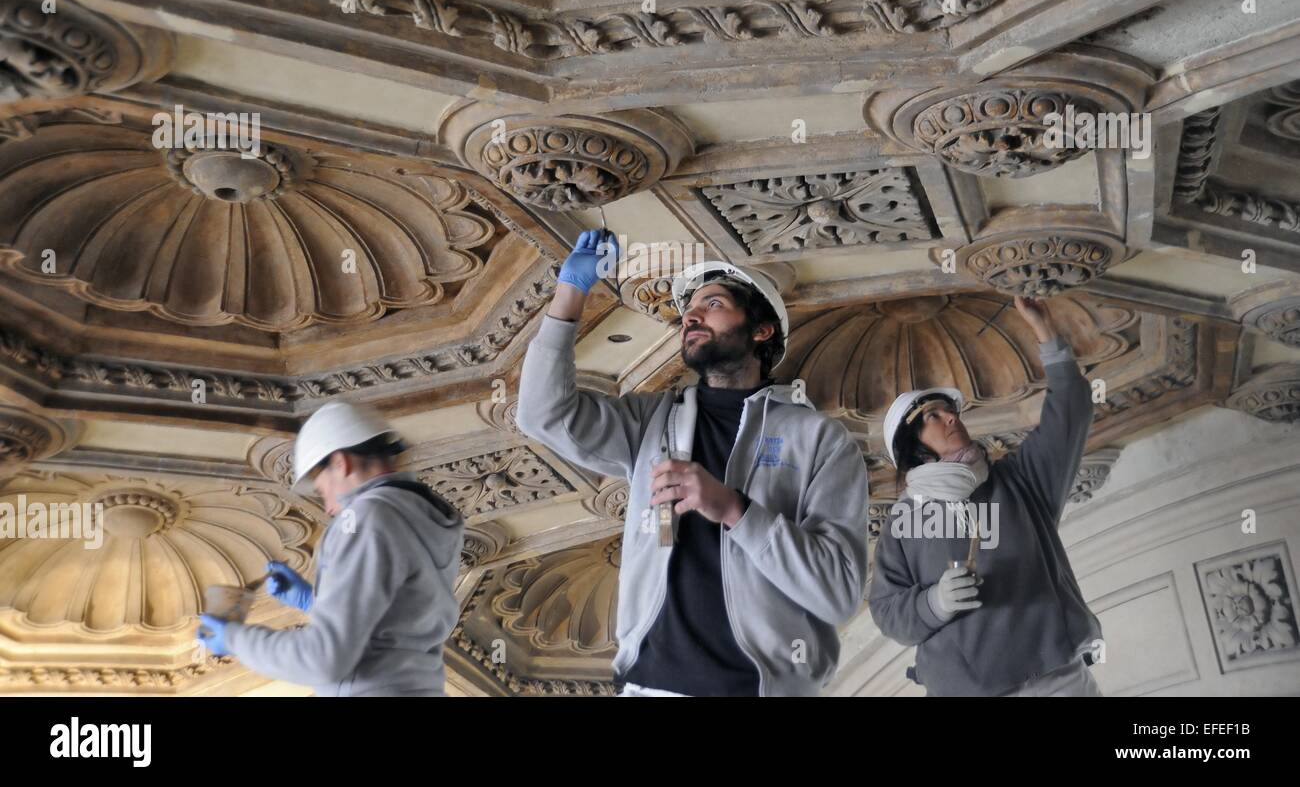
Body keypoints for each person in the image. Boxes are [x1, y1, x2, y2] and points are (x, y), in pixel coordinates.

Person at [516, 230, 868, 696]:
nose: (692, 317)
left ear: (761, 330)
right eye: (688, 312)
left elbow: (838, 594)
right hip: (649, 686)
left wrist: (734, 510)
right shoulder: (651, 421)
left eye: (714, 304)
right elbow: (542, 415)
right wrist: (570, 292)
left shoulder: (820, 440)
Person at [868, 295, 1104, 696]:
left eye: (951, 411)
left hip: (1057, 680)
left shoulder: (1019, 481)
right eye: (933, 416)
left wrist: (1045, 330)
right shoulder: (903, 524)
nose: (951, 418)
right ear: (913, 447)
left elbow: (1071, 410)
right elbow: (888, 612)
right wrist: (934, 603)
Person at [195, 401, 464, 696]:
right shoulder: (423, 516)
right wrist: (314, 601)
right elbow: (398, 620)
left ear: (340, 463)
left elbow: (322, 659)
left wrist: (235, 639)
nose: (330, 508)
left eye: (323, 491)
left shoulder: (363, 518)